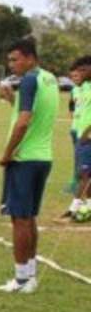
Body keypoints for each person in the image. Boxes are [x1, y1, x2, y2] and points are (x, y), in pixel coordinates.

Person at [0, 39, 59, 294]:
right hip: (43, 157)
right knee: (28, 217)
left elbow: (23, 123)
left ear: (30, 58)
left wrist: (7, 154)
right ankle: (29, 274)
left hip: (24, 158)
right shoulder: (49, 78)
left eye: (15, 59)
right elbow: (33, 113)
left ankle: (22, 279)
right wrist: (12, 99)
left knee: (19, 219)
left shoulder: (30, 79)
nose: (11, 64)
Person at [66, 56, 91, 220]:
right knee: (86, 173)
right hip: (81, 135)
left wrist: (84, 134)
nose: (79, 74)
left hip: (87, 138)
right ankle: (87, 205)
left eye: (83, 70)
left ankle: (74, 208)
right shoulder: (82, 88)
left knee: (84, 174)